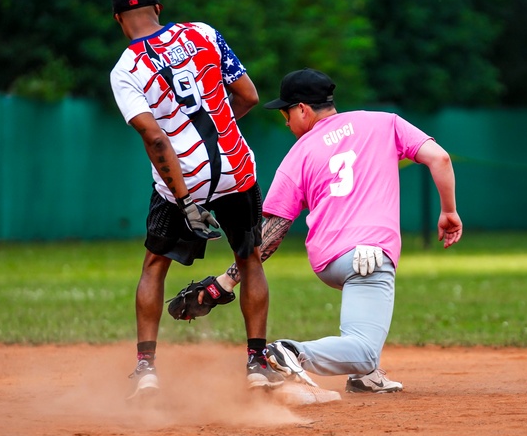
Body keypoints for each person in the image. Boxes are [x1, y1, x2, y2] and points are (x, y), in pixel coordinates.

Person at [168, 68, 462, 394]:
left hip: (327, 260)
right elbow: (441, 158)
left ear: (303, 109)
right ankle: (292, 351)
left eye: (287, 113)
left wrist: (225, 282)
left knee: (363, 323)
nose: (286, 122)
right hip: (370, 254)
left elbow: (272, 232)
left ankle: (367, 378)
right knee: (363, 349)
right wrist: (448, 211)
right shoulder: (384, 122)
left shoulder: (299, 154)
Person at [107, 0, 282, 398]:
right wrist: (219, 132)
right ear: (159, 8)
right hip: (237, 167)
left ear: (118, 19)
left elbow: (155, 138)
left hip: (185, 178)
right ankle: (257, 362)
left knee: (154, 266)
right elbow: (249, 96)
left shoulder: (126, 69)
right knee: (249, 258)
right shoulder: (203, 33)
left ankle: (146, 368)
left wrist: (186, 201)